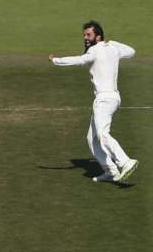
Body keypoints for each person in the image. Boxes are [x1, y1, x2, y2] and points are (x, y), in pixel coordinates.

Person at [49, 20, 138, 182]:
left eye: (88, 34)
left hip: (104, 100)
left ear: (98, 36)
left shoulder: (94, 51)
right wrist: (113, 44)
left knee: (103, 135)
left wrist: (56, 60)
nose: (85, 38)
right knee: (92, 139)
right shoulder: (113, 48)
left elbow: (79, 60)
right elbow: (131, 51)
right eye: (84, 35)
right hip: (114, 99)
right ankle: (110, 171)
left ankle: (125, 161)